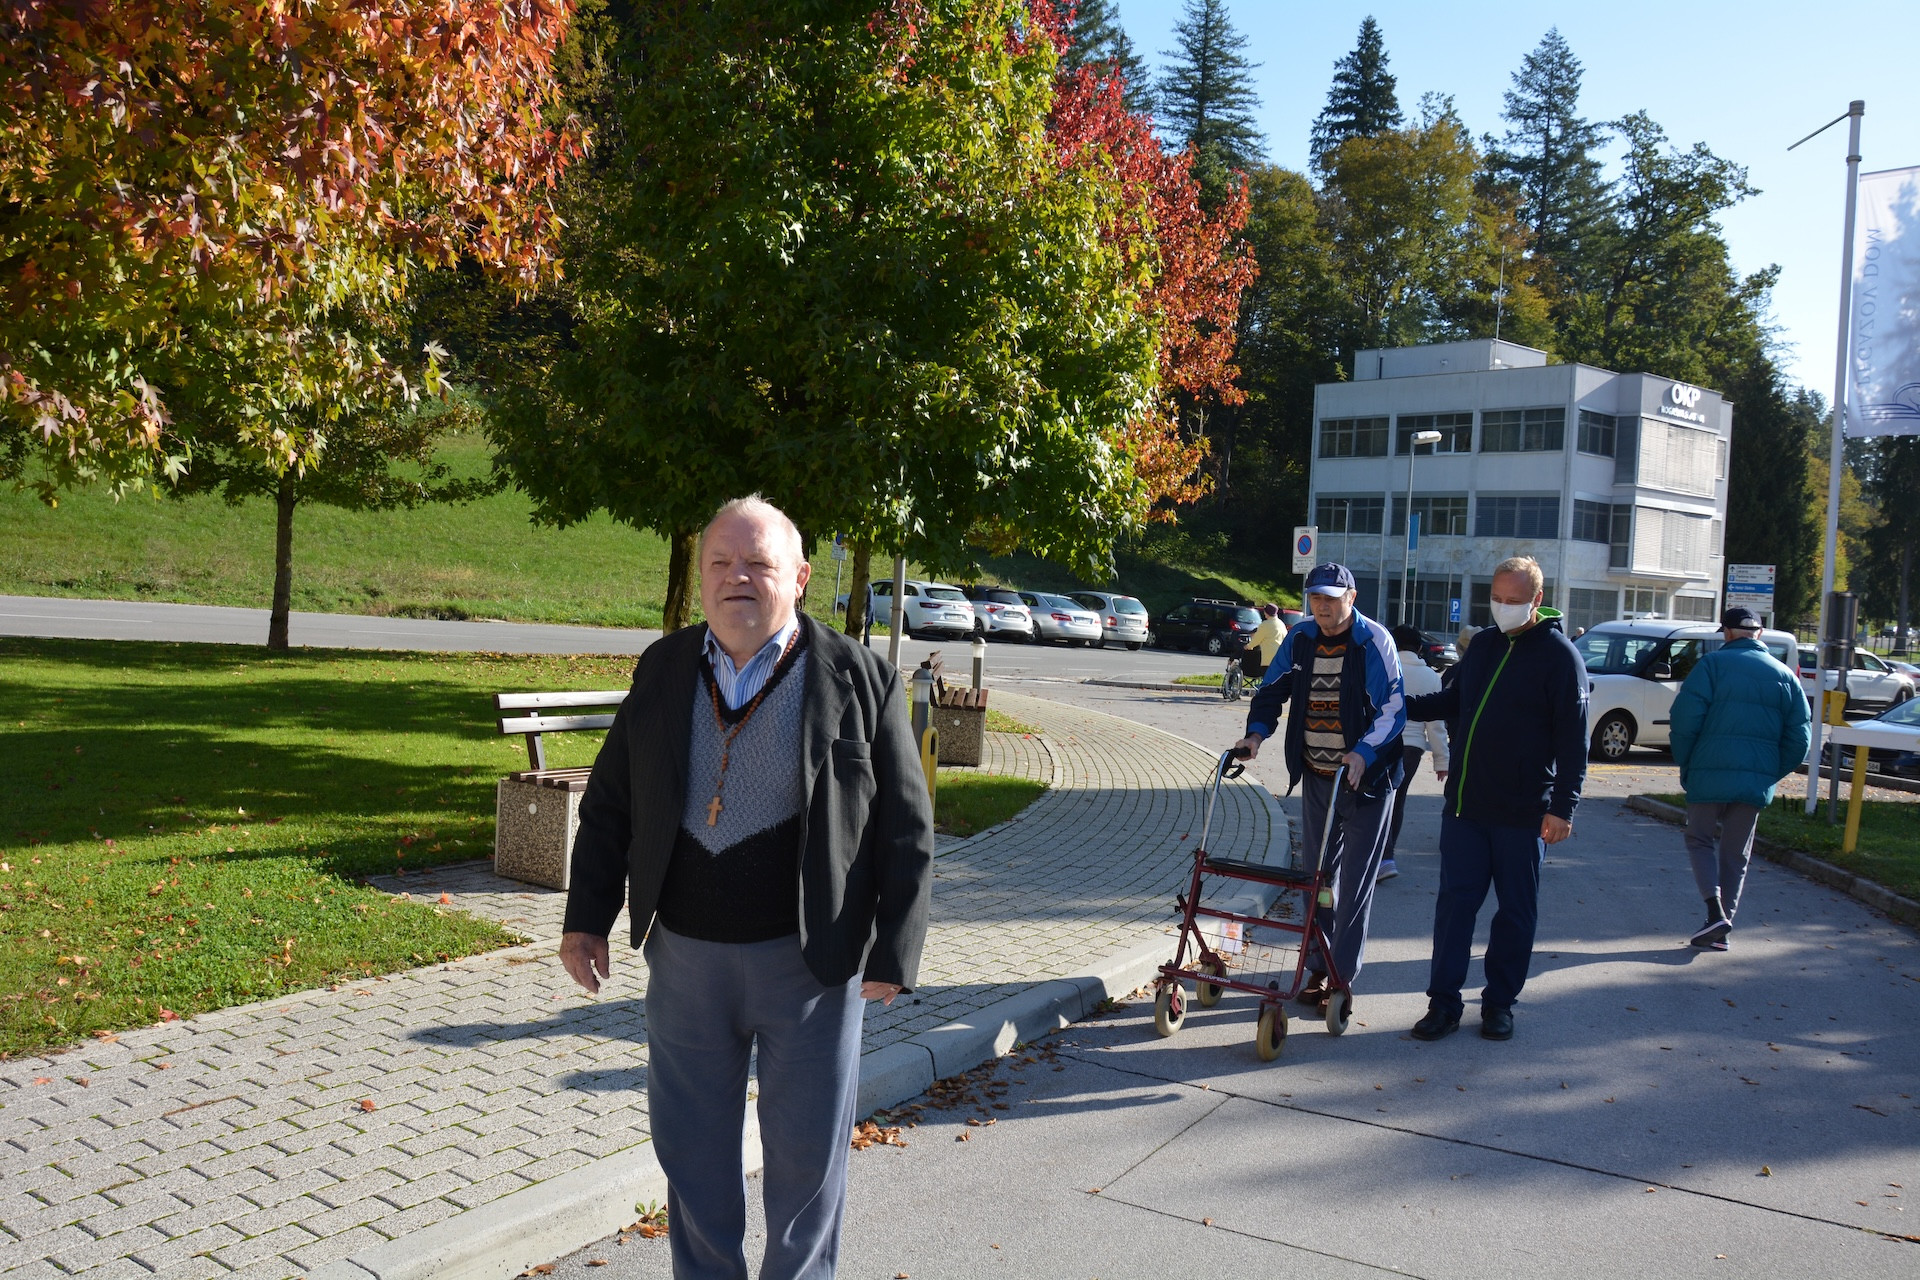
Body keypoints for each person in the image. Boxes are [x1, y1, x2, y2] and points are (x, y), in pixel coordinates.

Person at [560, 496, 935, 1280]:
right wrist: (586, 918)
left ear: (798, 577)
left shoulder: (860, 678)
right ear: (701, 580)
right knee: (693, 1157)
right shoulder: (663, 669)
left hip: (810, 964)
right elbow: (610, 803)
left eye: (758, 564)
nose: (738, 578)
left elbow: (905, 824)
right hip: (686, 962)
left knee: (805, 1168)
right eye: (721, 563)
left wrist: (896, 947)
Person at [1403, 557, 1587, 1043]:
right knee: (1454, 910)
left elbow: (1573, 742)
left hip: (1524, 813)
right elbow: (1450, 700)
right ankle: (1442, 1004)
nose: (1504, 608)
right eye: (1498, 599)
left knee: (1515, 913)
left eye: (1514, 601)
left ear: (1537, 601)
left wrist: (1563, 807)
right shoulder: (1482, 645)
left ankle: (1499, 1004)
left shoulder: (1560, 657)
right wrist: (1394, 703)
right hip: (1466, 807)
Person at [1233, 563, 1404, 1014]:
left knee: (1355, 885)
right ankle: (1317, 964)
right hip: (1318, 775)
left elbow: (1392, 710)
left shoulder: (1373, 641)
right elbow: (1271, 690)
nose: (1323, 607)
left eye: (1331, 598)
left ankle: (1341, 976)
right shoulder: (1302, 637)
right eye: (1315, 598)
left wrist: (1364, 752)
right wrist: (1255, 736)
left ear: (1352, 597)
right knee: (1318, 879)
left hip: (1367, 781)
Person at [1669, 606, 1812, 950]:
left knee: (1699, 840)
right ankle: (1721, 926)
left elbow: (1684, 721)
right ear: (1759, 634)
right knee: (1737, 854)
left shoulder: (1711, 666)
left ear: (1727, 633)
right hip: (1755, 780)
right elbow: (1800, 740)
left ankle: (1713, 910)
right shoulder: (1785, 676)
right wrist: (1769, 773)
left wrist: (1688, 764)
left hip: (1708, 771)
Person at [1378, 624, 1449, 883]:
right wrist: (1442, 760)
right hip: (1412, 747)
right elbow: (1437, 723)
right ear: (1420, 648)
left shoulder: (1383, 669)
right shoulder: (1432, 676)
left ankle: (1370, 854)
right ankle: (1387, 857)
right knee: (1398, 798)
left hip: (1381, 741)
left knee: (1374, 797)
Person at [1245, 603, 1286, 679]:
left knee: (1267, 681)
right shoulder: (1281, 624)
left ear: (1266, 612)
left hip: (1269, 659)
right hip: (1281, 658)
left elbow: (1257, 639)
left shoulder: (1265, 624)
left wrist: (1249, 646)